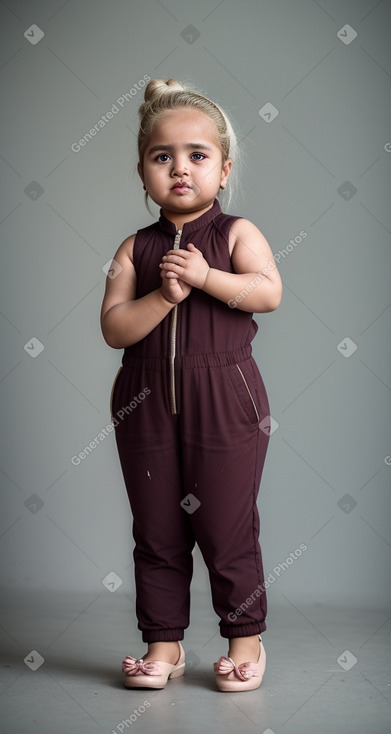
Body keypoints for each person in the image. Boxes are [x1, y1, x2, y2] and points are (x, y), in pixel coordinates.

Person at [100, 78, 282, 692]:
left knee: (228, 523)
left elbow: (268, 292)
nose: (181, 168)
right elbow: (115, 329)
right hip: (143, 401)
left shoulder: (235, 234)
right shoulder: (134, 248)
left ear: (224, 169)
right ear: (143, 171)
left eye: (198, 155)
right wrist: (163, 295)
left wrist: (205, 278)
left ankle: (245, 638)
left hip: (226, 397)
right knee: (156, 528)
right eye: (162, 156)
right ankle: (164, 644)